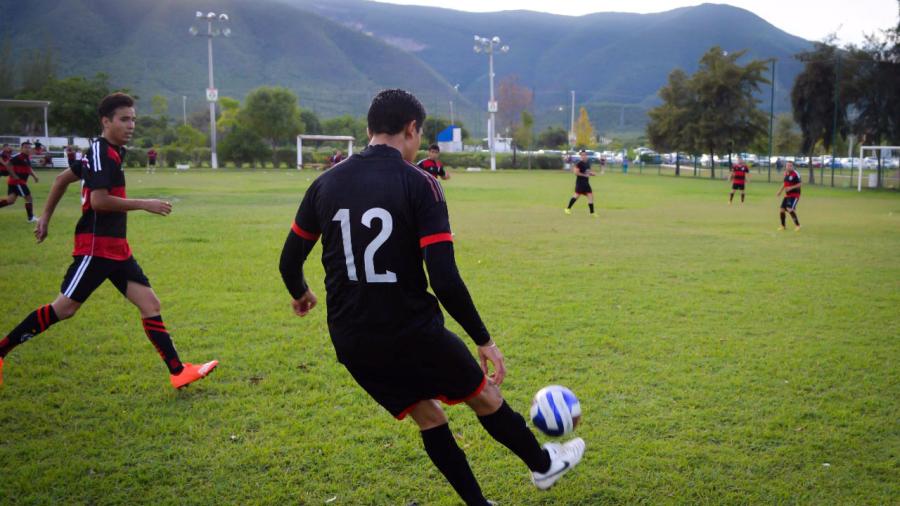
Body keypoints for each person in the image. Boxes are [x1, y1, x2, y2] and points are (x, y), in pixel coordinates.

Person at [279, 89, 584, 505]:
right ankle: (544, 466)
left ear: (369, 130)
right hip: (409, 329)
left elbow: (288, 260)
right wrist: (484, 339)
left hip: (351, 337)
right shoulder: (420, 183)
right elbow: (444, 278)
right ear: (411, 129)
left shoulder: (324, 184)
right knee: (485, 396)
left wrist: (301, 293)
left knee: (428, 416)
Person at [0, 93, 218, 389]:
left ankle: (178, 372)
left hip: (116, 248)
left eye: (133, 120)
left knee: (150, 303)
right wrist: (144, 203)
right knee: (64, 308)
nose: (131, 125)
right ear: (106, 121)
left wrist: (45, 218)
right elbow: (99, 201)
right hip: (95, 248)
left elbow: (61, 179)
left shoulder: (108, 151)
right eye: (124, 119)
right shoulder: (102, 153)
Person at [0, 140, 40, 222]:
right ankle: (30, 218)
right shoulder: (18, 156)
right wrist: (14, 175)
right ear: (21, 149)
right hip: (18, 182)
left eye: (29, 147)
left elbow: (29, 169)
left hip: (15, 182)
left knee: (10, 201)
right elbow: (8, 164)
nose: (28, 149)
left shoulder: (27, 157)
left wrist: (35, 176)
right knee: (29, 198)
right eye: (25, 147)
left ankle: (31, 217)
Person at [564, 149, 598, 217]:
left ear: (586, 155)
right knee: (576, 195)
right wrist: (584, 175)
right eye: (582, 155)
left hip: (586, 183)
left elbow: (587, 172)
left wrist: (592, 174)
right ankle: (567, 209)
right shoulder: (579, 163)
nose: (583, 156)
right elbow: (576, 173)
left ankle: (592, 213)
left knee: (590, 196)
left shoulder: (587, 163)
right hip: (580, 183)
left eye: (585, 155)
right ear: (580, 156)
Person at [776, 161, 802, 231]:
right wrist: (780, 191)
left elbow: (800, 184)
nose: (788, 167)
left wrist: (791, 187)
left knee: (789, 209)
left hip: (795, 195)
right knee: (782, 210)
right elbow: (785, 183)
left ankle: (798, 225)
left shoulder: (796, 174)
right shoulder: (786, 173)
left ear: (792, 166)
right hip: (787, 195)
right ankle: (783, 226)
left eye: (790, 166)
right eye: (787, 165)